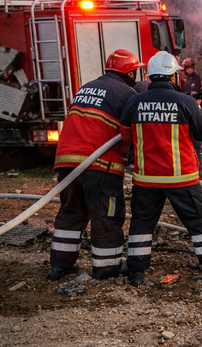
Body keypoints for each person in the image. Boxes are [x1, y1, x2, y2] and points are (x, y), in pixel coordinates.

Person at [119, 51, 202, 286]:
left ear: (149, 77)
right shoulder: (186, 102)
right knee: (199, 223)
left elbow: (125, 136)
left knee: (141, 224)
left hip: (146, 179)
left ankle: (136, 273)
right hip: (181, 178)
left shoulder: (134, 102)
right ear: (173, 77)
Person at [48, 49, 144, 281]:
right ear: (130, 73)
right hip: (98, 164)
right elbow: (129, 134)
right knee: (106, 214)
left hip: (66, 162)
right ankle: (107, 267)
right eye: (135, 72)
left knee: (71, 211)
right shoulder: (126, 93)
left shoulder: (87, 87)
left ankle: (59, 265)